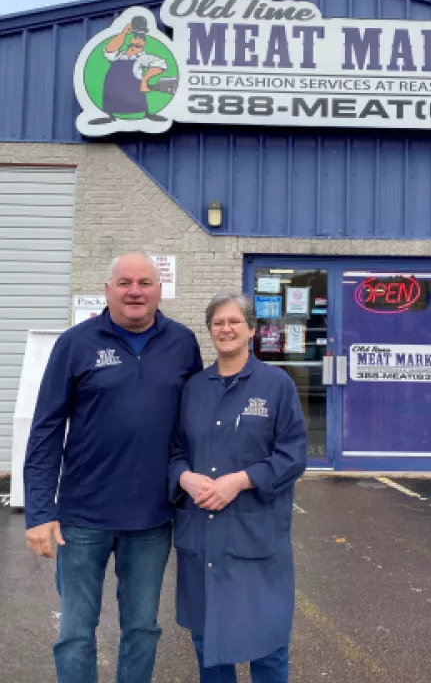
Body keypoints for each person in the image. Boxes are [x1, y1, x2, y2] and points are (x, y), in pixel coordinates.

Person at [24, 252, 203, 683]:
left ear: (160, 291)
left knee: (142, 628)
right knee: (75, 633)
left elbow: (195, 424)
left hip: (153, 517)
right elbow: (46, 429)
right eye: (125, 282)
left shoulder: (182, 343)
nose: (135, 291)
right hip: (83, 516)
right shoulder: (76, 343)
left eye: (145, 282)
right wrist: (40, 511)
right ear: (108, 290)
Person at [169, 292, 308, 683]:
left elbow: (293, 455)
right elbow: (175, 450)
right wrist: (184, 476)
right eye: (218, 323)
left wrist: (241, 480)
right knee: (207, 639)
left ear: (251, 329)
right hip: (203, 533)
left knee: (268, 642)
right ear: (210, 330)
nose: (225, 329)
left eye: (234, 322)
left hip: (256, 535)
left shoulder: (276, 385)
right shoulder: (194, 388)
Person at [89, 15, 169, 125]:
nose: (138, 39)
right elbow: (109, 50)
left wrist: (145, 80)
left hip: (134, 95)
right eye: (135, 36)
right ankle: (110, 116)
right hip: (114, 93)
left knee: (140, 105)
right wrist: (123, 33)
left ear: (144, 42)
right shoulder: (119, 55)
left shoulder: (143, 58)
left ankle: (146, 115)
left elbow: (161, 64)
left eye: (141, 37)